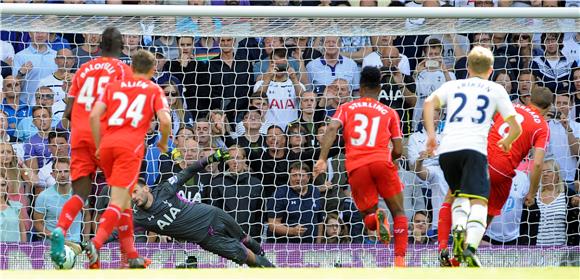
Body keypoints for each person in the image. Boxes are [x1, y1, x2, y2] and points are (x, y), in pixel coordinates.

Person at [423, 46, 522, 267]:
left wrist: (431, 135)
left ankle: (458, 230)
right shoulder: (495, 89)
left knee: (458, 196)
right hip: (474, 150)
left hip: (447, 151)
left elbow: (429, 103)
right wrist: (506, 142)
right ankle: (470, 247)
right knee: (479, 201)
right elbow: (515, 127)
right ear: (491, 70)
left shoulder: (452, 85)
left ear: (467, 67)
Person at [436, 86, 552, 266]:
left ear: (529, 99)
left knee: (450, 198)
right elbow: (537, 163)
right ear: (548, 108)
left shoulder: (511, 108)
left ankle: (443, 246)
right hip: (503, 173)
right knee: (485, 217)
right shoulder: (542, 127)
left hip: (482, 160)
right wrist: (531, 192)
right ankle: (466, 252)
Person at [50, 27, 133, 268]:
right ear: (120, 48)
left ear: (98, 47)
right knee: (122, 195)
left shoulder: (83, 69)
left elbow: (67, 111)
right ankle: (126, 257)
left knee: (79, 194)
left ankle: (60, 229)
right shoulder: (122, 69)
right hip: (107, 135)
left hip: (79, 136)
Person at [84, 49, 172, 269]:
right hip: (129, 149)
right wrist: (162, 142)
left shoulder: (113, 86)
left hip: (108, 146)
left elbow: (94, 115)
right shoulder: (153, 89)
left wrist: (98, 144)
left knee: (125, 204)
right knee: (119, 200)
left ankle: (131, 255)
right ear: (153, 70)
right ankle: (95, 243)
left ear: (131, 67)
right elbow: (165, 120)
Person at [314, 66, 408, 267]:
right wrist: (389, 160)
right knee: (399, 212)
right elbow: (399, 150)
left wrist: (322, 158)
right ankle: (400, 261)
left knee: (368, 216)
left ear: (360, 87)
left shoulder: (347, 108)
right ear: (380, 88)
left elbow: (331, 128)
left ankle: (376, 219)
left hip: (357, 167)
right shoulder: (390, 112)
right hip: (382, 161)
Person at [131, 150, 276, 268]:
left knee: (244, 239)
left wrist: (210, 159)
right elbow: (116, 231)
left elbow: (189, 171)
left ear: (146, 188)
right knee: (247, 258)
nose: (133, 197)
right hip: (208, 239)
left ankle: (262, 254)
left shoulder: (165, 189)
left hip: (213, 215)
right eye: (129, 195)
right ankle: (271, 271)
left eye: (135, 191)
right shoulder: (138, 218)